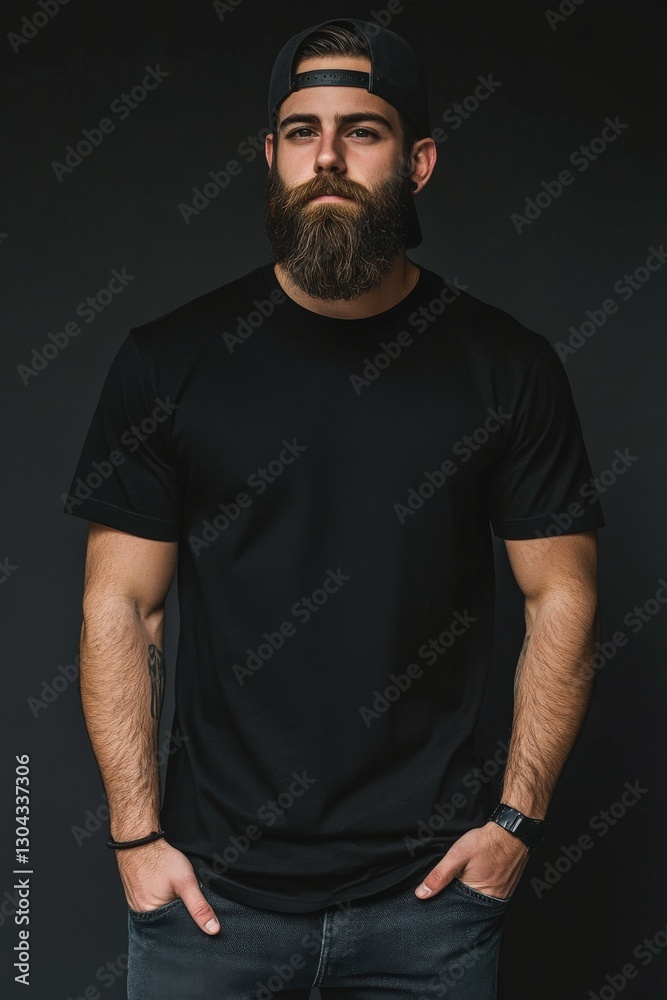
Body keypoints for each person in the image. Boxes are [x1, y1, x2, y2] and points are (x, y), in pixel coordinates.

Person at [62, 16, 605, 1000]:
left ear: (419, 159)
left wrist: (516, 824)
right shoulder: (167, 362)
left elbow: (560, 595)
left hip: (429, 909)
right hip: (207, 908)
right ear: (269, 157)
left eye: (362, 130)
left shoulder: (505, 367)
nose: (327, 157)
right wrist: (135, 837)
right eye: (301, 131)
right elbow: (120, 608)